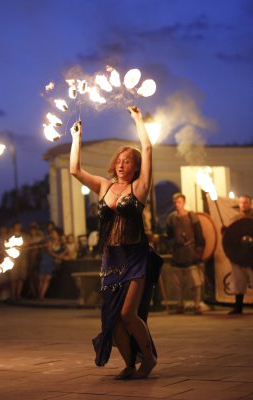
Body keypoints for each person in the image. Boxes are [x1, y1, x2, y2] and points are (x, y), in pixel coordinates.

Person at [69, 107, 163, 380]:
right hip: (111, 259)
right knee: (112, 319)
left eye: (128, 161)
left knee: (128, 313)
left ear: (135, 167)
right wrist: (77, 138)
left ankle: (149, 358)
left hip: (135, 256)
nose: (122, 164)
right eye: (119, 160)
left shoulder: (140, 188)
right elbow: (74, 169)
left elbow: (147, 148)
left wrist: (138, 120)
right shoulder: (103, 186)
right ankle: (129, 364)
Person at [166, 193, 205, 314]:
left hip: (190, 251)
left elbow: (199, 233)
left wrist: (199, 247)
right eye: (175, 202)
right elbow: (169, 235)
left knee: (195, 281)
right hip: (178, 252)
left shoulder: (191, 215)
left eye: (179, 202)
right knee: (178, 282)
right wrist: (171, 245)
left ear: (184, 202)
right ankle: (180, 304)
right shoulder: (171, 217)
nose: (177, 204)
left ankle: (197, 305)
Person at [224, 195, 253, 315]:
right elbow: (231, 237)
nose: (243, 204)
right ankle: (238, 307)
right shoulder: (235, 219)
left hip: (252, 255)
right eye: (241, 202)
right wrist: (226, 232)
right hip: (239, 255)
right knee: (238, 281)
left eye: (246, 202)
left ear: (250, 204)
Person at [38, 228, 66, 300]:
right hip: (46, 259)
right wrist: (58, 256)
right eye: (52, 233)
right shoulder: (49, 241)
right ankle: (39, 295)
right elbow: (49, 251)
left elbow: (65, 249)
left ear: (57, 233)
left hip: (52, 261)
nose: (53, 234)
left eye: (54, 233)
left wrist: (61, 255)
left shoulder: (61, 242)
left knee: (47, 278)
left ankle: (41, 295)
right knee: (42, 278)